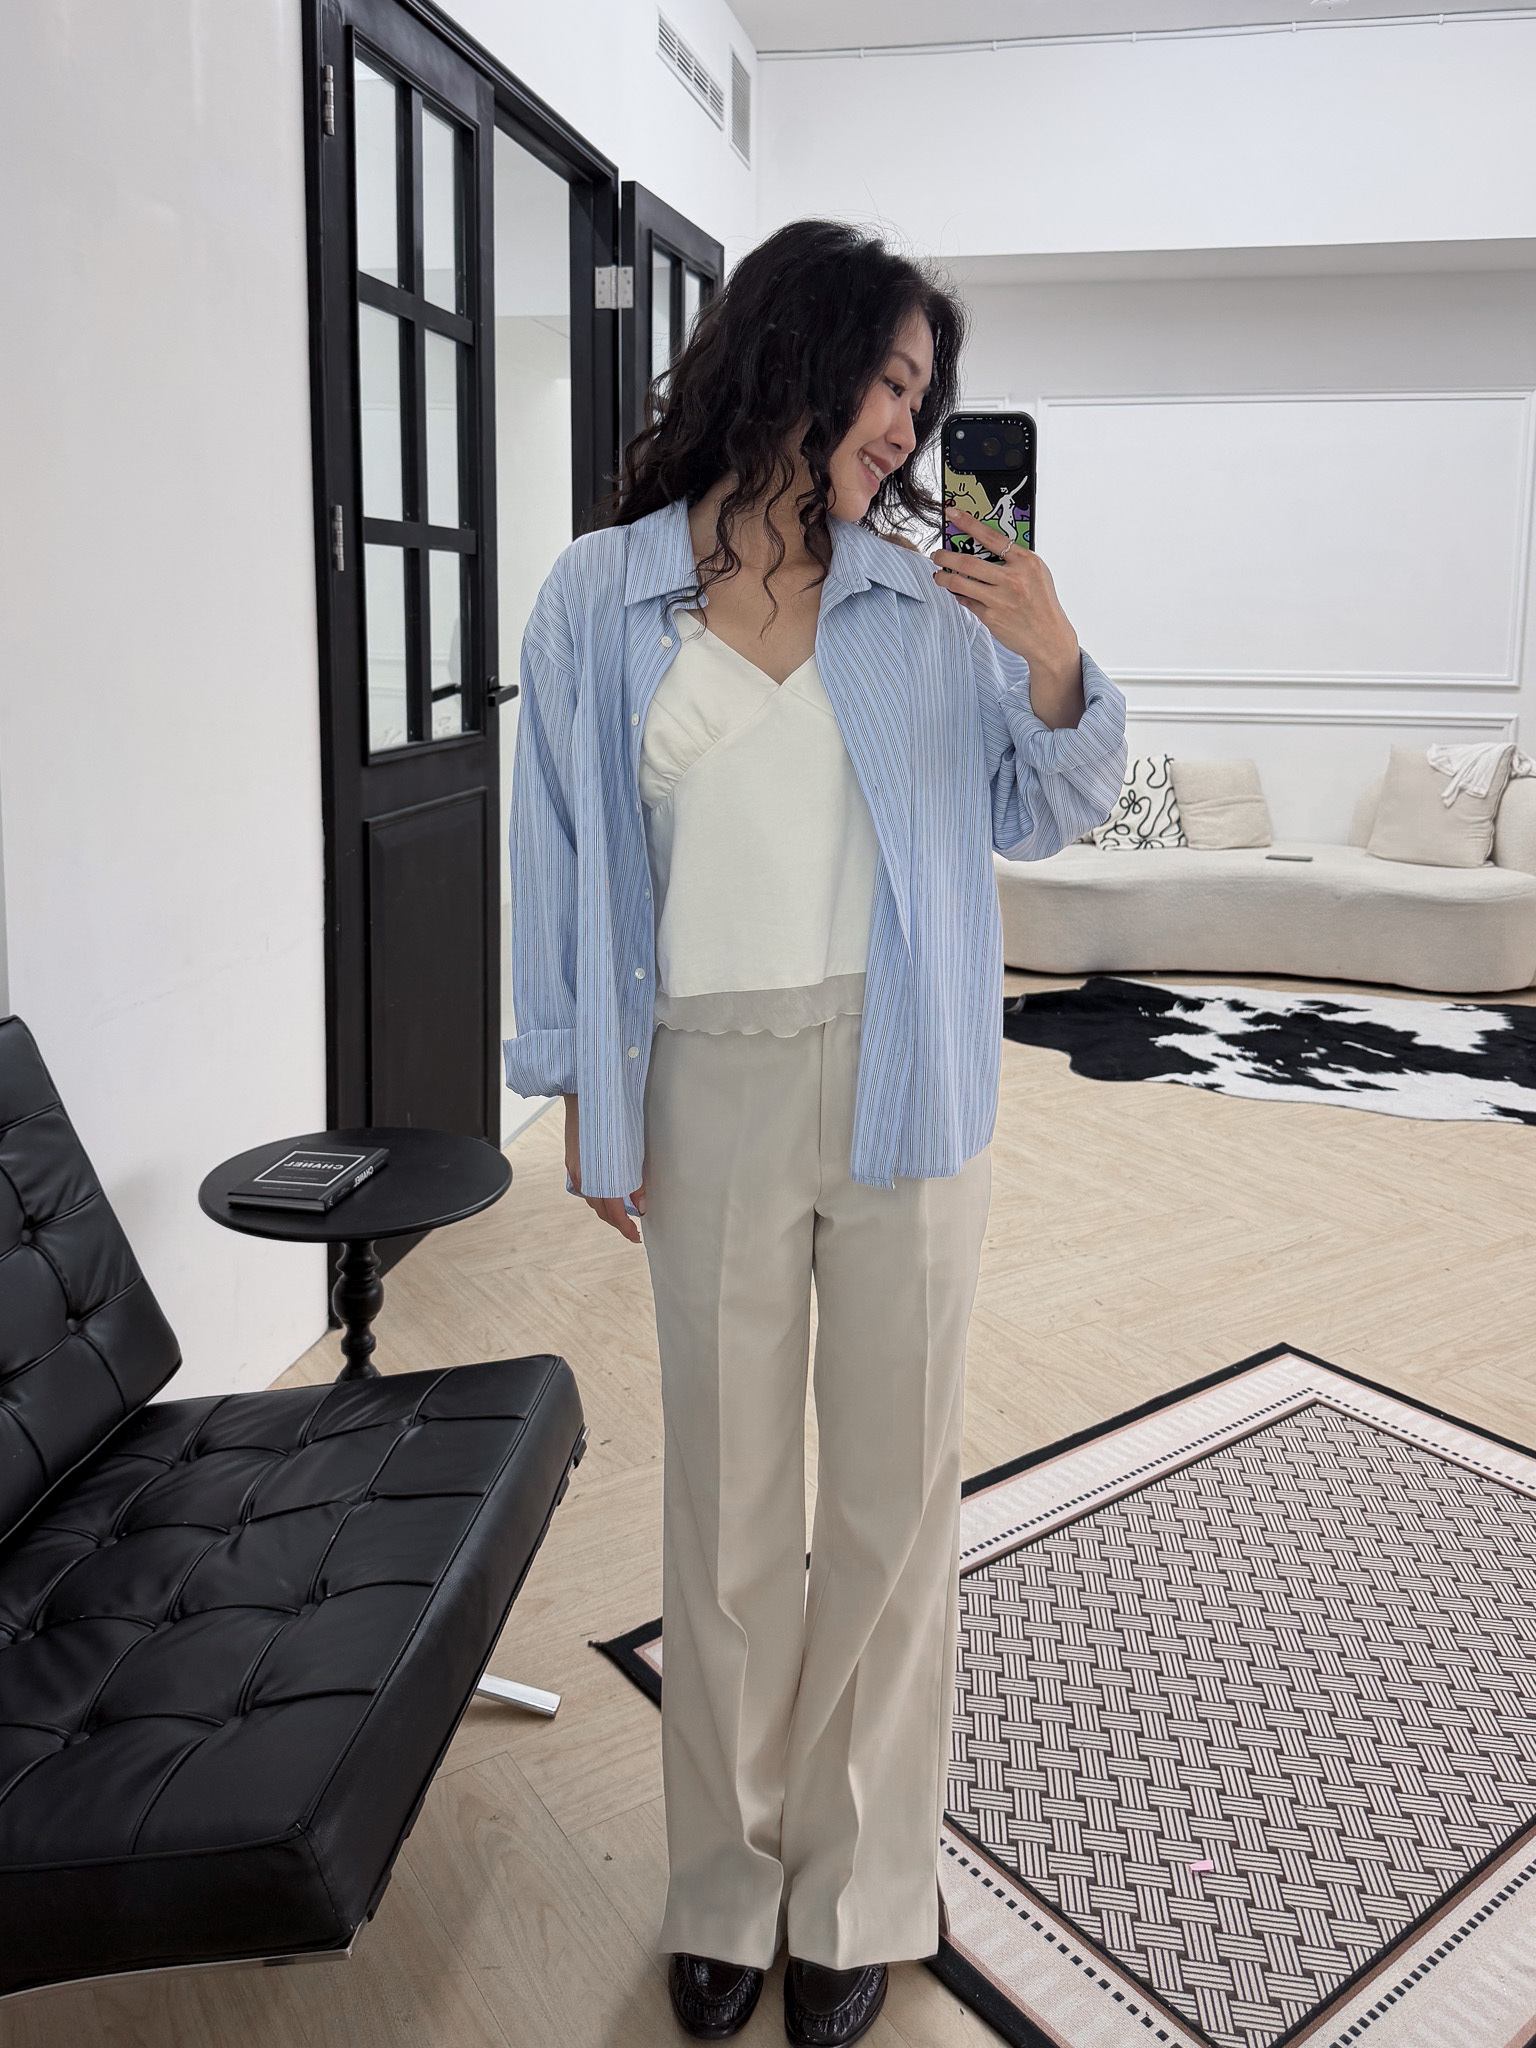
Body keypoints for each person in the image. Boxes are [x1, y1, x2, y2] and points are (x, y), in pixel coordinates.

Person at [505, 220, 1126, 2046]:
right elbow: (556, 858)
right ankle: (726, 1883)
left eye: (927, 402)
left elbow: (1049, 808)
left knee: (888, 1506)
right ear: (799, 353)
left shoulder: (929, 601)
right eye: (891, 384)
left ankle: (858, 1892)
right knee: (722, 1508)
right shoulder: (598, 595)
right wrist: (582, 1086)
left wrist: (1056, 658)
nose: (907, 429)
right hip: (705, 1081)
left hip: (910, 1079)